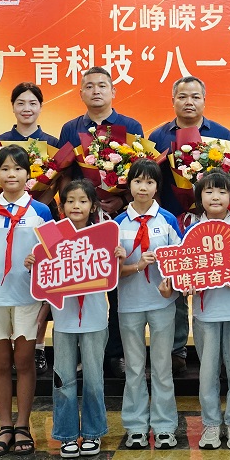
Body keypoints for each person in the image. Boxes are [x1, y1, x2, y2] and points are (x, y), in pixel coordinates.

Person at [57, 65, 144, 379]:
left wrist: (121, 199)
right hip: (82, 221)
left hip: (120, 218)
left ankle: (116, 353)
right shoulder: (70, 128)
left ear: (113, 91)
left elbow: (139, 173)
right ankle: (84, 353)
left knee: (117, 287)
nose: (96, 91)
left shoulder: (130, 126)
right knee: (82, 284)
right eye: (90, 86)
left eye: (102, 85)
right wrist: (69, 210)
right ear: (81, 92)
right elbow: (65, 173)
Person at [147, 75, 230, 376]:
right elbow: (151, 180)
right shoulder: (157, 136)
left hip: (213, 225)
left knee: (213, 281)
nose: (189, 102)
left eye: (195, 96)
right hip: (171, 222)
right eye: (182, 96)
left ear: (204, 100)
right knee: (176, 280)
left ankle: (215, 349)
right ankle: (176, 350)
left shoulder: (222, 135)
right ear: (172, 100)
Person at [0, 145, 53, 457]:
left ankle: (23, 425)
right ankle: (5, 425)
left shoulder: (41, 212)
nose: (11, 174)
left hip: (28, 297)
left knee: (25, 361)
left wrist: (46, 303)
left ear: (28, 174)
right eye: (4, 169)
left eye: (17, 168)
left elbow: (53, 259)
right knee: (1, 363)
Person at [174, 170, 230, 451]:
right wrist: (186, 284)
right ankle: (210, 424)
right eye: (208, 191)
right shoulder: (191, 231)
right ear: (200, 198)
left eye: (222, 191)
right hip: (205, 313)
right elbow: (183, 268)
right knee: (207, 372)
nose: (215, 197)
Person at [37, 179, 113, 458]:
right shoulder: (51, 235)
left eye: (82, 200)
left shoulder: (104, 233)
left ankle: (93, 432)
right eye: (70, 201)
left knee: (94, 380)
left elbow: (113, 275)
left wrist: (117, 257)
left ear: (93, 206)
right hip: (64, 320)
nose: (76, 206)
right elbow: (43, 274)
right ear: (62, 206)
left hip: (95, 318)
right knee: (63, 380)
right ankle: (67, 434)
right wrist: (34, 263)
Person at [114, 159, 183, 450]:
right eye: (138, 181)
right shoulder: (117, 224)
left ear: (157, 187)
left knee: (162, 366)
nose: (143, 187)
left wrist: (172, 283)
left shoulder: (167, 219)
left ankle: (165, 426)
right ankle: (135, 427)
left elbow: (181, 260)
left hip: (162, 303)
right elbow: (110, 272)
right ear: (129, 185)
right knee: (134, 368)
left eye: (150, 182)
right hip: (129, 304)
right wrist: (133, 265)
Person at [0, 81, 58, 376]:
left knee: (42, 279)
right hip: (6, 219)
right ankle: (14, 345)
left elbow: (59, 181)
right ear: (12, 107)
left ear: (40, 107)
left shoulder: (52, 143)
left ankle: (37, 347)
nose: (27, 108)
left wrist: (33, 205)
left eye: (32, 103)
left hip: (43, 214)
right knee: (12, 277)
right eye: (21, 102)